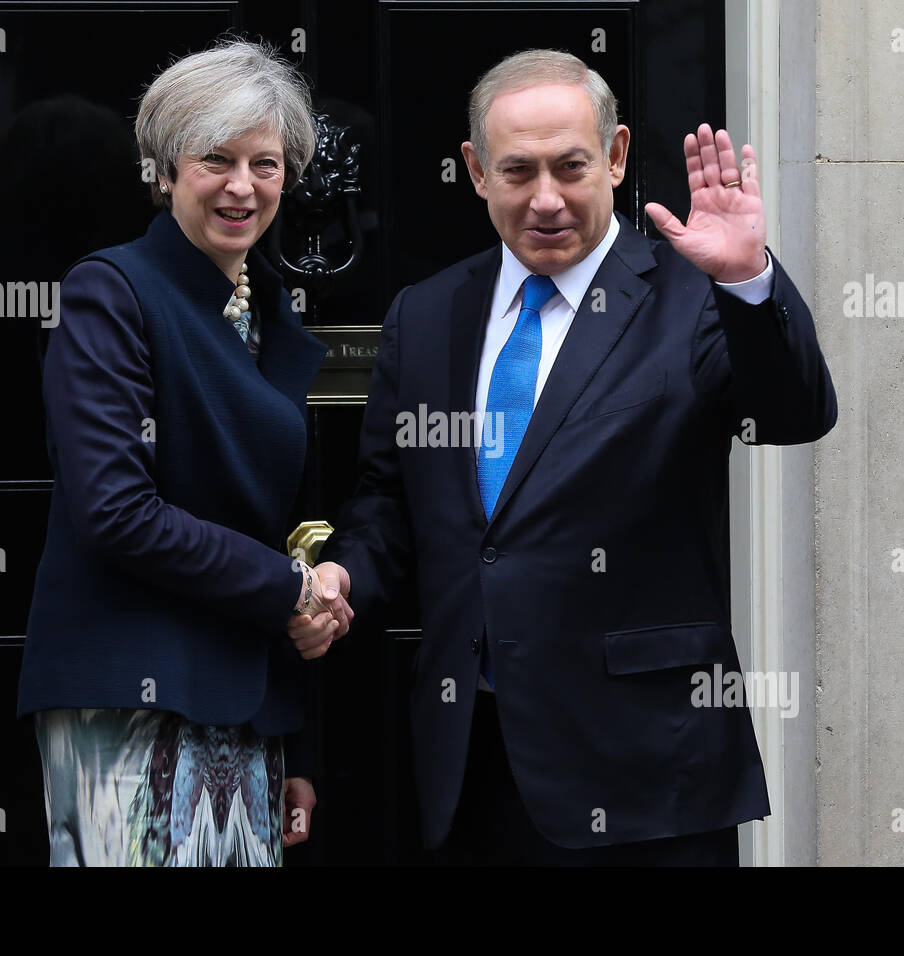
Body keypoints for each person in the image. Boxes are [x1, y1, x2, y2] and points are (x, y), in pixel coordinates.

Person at [317, 48, 838, 865]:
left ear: (618, 155)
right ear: (476, 171)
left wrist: (747, 282)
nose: (547, 199)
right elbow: (390, 499)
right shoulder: (425, 315)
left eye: (571, 166)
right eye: (518, 171)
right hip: (471, 761)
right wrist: (345, 573)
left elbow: (795, 412)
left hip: (647, 771)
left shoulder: (688, 294)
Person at [16, 39, 352, 867]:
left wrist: (292, 741)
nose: (243, 186)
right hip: (131, 699)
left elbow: (266, 528)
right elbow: (116, 513)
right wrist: (290, 588)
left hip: (242, 707)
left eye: (266, 163)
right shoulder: (112, 292)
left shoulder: (267, 315)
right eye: (215, 159)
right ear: (165, 171)